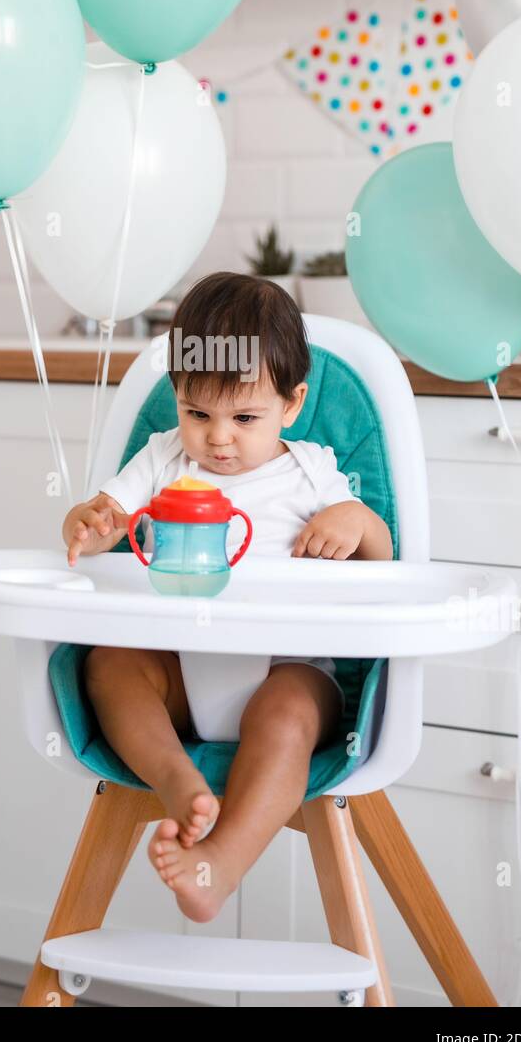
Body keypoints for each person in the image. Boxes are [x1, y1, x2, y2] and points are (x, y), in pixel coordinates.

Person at [61, 271, 393, 922]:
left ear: (291, 406)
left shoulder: (310, 470)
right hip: (181, 673)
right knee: (109, 664)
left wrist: (354, 526)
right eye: (197, 414)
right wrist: (90, 525)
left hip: (289, 670)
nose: (218, 438)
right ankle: (174, 778)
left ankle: (222, 862)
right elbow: (106, 521)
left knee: (288, 715)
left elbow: (383, 556)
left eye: (244, 418)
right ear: (176, 397)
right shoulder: (161, 460)